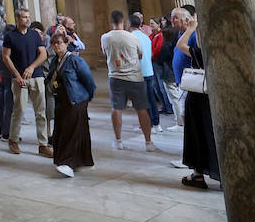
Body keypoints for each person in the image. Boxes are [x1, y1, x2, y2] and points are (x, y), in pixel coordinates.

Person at [173, 8, 219, 189]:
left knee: (199, 136)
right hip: (215, 99)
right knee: (213, 135)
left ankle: (198, 174)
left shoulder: (201, 54)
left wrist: (191, 29)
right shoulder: (219, 53)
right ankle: (223, 176)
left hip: (199, 98)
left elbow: (180, 45)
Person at [100, 10, 156, 151]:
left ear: (111, 21)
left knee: (116, 108)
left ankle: (118, 140)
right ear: (124, 21)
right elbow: (141, 55)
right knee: (142, 109)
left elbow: (105, 53)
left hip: (116, 77)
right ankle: (148, 142)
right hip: (135, 77)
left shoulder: (105, 37)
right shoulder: (133, 37)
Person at [44, 30, 96, 178]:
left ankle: (68, 163)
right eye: (53, 43)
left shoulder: (74, 60)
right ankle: (83, 161)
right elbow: (51, 77)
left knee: (71, 132)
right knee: (64, 131)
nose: (56, 46)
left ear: (66, 44)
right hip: (61, 100)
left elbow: (89, 81)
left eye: (59, 43)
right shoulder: (55, 60)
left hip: (76, 101)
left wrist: (87, 97)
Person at [3, 18, 50, 156]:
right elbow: (6, 57)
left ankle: (43, 144)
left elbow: (43, 54)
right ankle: (13, 140)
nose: (27, 19)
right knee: (19, 110)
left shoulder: (35, 35)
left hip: (36, 76)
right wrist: (17, 75)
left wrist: (31, 67)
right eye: (24, 17)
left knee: (41, 112)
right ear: (18, 19)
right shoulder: (10, 36)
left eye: (28, 16)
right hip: (19, 79)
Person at [132, 12, 174, 128]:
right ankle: (156, 121)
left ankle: (150, 122)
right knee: (153, 92)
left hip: (148, 67)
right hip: (149, 67)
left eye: (152, 24)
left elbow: (154, 50)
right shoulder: (146, 36)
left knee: (151, 94)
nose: (150, 26)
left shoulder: (136, 36)